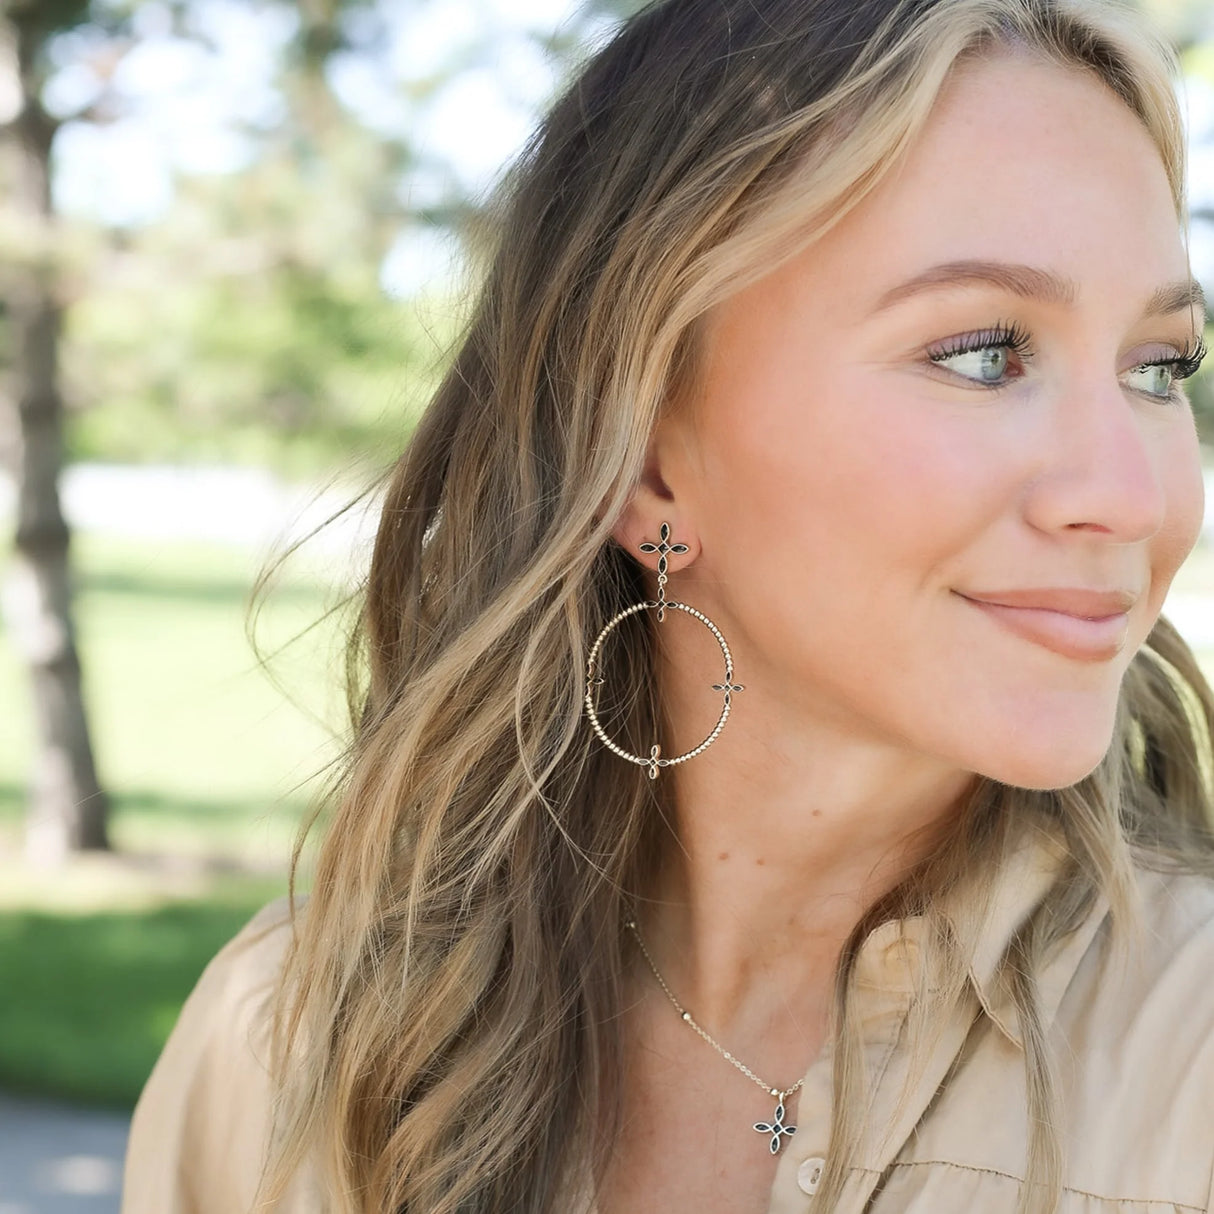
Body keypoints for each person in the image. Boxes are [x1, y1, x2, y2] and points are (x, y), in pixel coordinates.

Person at [121, 0, 1214, 1211]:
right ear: (642, 460)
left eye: (1157, 367)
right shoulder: (287, 1046)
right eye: (980, 353)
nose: (1126, 493)